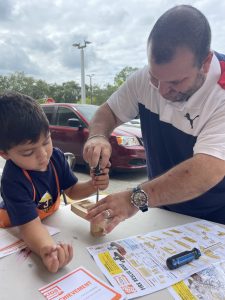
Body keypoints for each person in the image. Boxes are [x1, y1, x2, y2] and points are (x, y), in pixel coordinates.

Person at [83, 4, 225, 232]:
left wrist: (134, 199)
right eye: (154, 77)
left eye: (176, 82)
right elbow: (107, 111)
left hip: (215, 220)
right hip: (161, 209)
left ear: (205, 63)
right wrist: (98, 137)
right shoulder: (143, 80)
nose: (161, 91)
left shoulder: (221, 92)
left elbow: (207, 170)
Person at [0, 92, 109, 273]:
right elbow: (29, 226)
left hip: (50, 221)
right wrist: (47, 249)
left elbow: (72, 190)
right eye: (28, 152)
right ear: (5, 154)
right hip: (13, 230)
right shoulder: (13, 180)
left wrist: (93, 184)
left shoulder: (56, 157)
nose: (43, 155)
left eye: (46, 141)